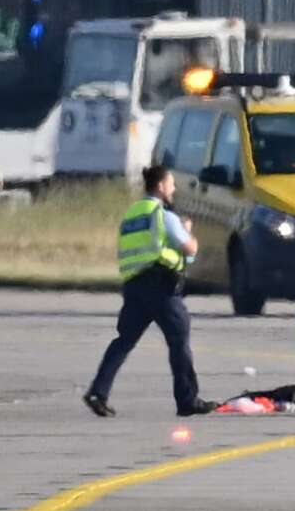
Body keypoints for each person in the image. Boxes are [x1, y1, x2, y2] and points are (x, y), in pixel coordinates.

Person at [84, 165, 215, 418]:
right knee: (179, 340)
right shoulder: (164, 215)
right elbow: (190, 249)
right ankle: (187, 400)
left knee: (123, 342)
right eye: (171, 183)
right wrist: (187, 231)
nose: (174, 188)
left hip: (134, 285)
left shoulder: (133, 214)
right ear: (160, 186)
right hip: (161, 285)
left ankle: (98, 392)